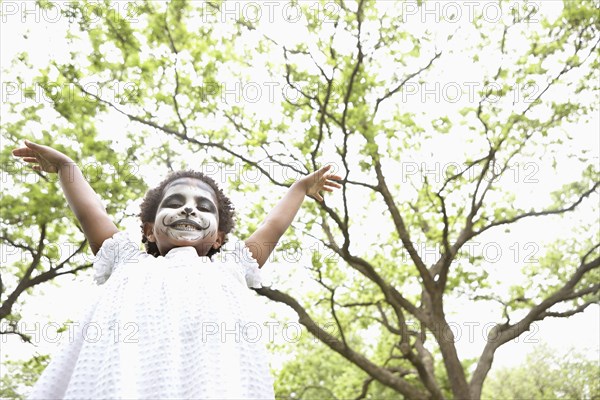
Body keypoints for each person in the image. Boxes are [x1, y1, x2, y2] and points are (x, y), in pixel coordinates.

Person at [12, 139, 342, 399]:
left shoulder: (229, 267)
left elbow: (273, 224)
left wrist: (299, 189)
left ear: (219, 239)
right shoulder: (127, 260)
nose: (187, 207)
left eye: (203, 207)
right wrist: (67, 168)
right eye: (174, 202)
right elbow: (91, 212)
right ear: (149, 231)